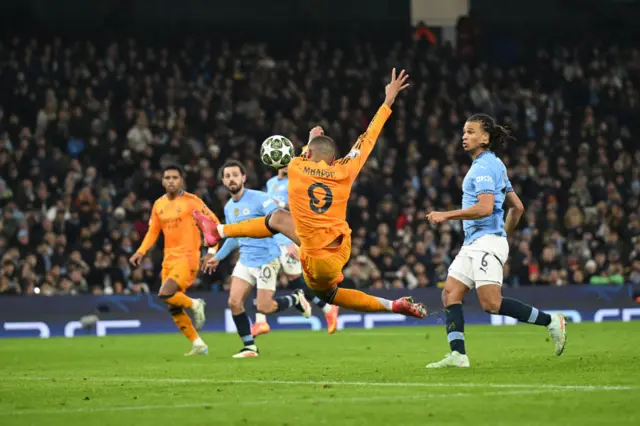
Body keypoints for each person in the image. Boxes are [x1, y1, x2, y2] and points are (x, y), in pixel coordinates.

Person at [194, 69, 426, 319]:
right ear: (333, 157)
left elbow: (301, 158)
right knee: (278, 218)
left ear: (309, 154)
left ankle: (218, 231)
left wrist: (308, 140)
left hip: (315, 256)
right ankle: (216, 231)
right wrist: (388, 100)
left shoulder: (295, 167)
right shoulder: (346, 168)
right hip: (341, 246)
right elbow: (368, 136)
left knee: (327, 293)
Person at [424, 114, 567, 368]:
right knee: (450, 293)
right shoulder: (495, 164)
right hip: (478, 242)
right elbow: (518, 207)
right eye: (464, 132)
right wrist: (503, 235)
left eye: (470, 132)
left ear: (485, 137)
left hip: (485, 241)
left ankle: (551, 321)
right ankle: (458, 355)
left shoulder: (483, 168)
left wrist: (447, 215)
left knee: (491, 303)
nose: (464, 136)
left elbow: (485, 208)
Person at [202, 160, 312, 358]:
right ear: (223, 181)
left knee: (264, 307)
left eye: (235, 174)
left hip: (267, 260)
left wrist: (291, 242)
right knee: (234, 302)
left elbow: (281, 219)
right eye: (227, 176)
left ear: (243, 178)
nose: (231, 179)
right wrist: (218, 257)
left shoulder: (261, 198)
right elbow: (234, 237)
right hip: (245, 260)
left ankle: (296, 298)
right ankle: (250, 347)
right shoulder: (228, 207)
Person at [130, 164, 218, 356]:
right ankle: (198, 344)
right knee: (172, 305)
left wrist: (212, 251)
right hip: (168, 259)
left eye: (175, 178)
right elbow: (153, 231)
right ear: (162, 181)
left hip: (188, 257)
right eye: (167, 178)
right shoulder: (158, 205)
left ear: (181, 180)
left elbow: (214, 224)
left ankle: (196, 304)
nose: (171, 181)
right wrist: (141, 251)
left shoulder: (192, 202)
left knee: (165, 293)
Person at [255, 165, 340, 336]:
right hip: (271, 240)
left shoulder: (296, 183)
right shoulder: (270, 183)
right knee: (262, 275)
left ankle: (327, 308)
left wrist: (292, 241)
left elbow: (301, 211)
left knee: (295, 280)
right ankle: (260, 321)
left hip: (287, 240)